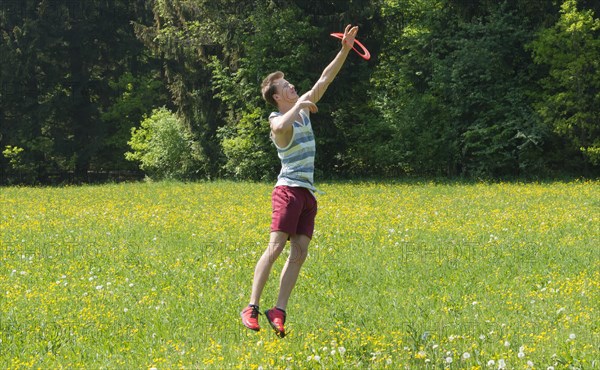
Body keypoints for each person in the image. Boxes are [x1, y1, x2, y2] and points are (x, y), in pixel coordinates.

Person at [241, 24, 359, 338]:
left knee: (300, 252)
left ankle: (278, 310)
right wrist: (301, 104)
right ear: (277, 96)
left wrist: (345, 49)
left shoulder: (302, 107)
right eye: (287, 86)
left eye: (291, 84)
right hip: (287, 191)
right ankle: (251, 306)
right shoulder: (277, 120)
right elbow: (280, 126)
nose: (293, 86)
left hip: (307, 194)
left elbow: (325, 78)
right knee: (276, 247)